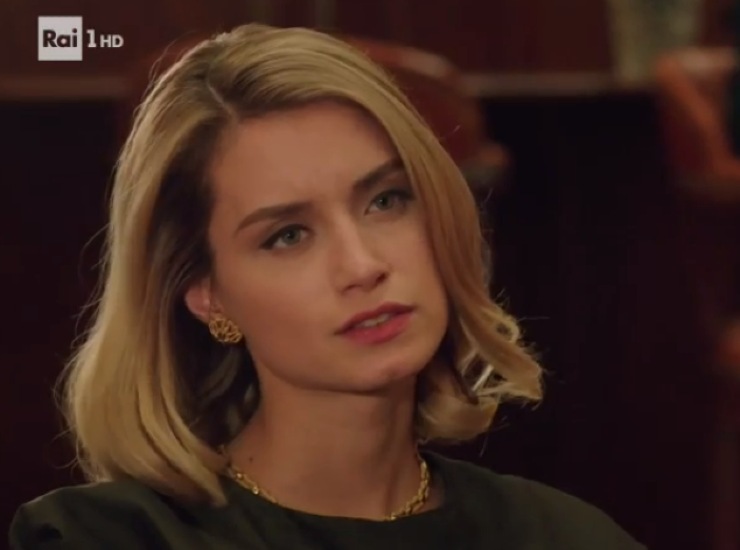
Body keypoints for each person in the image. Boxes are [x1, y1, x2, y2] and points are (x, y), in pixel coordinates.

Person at [9, 23, 646, 549]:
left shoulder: (565, 537)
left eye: (386, 200)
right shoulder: (106, 538)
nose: (361, 265)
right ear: (207, 294)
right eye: (288, 235)